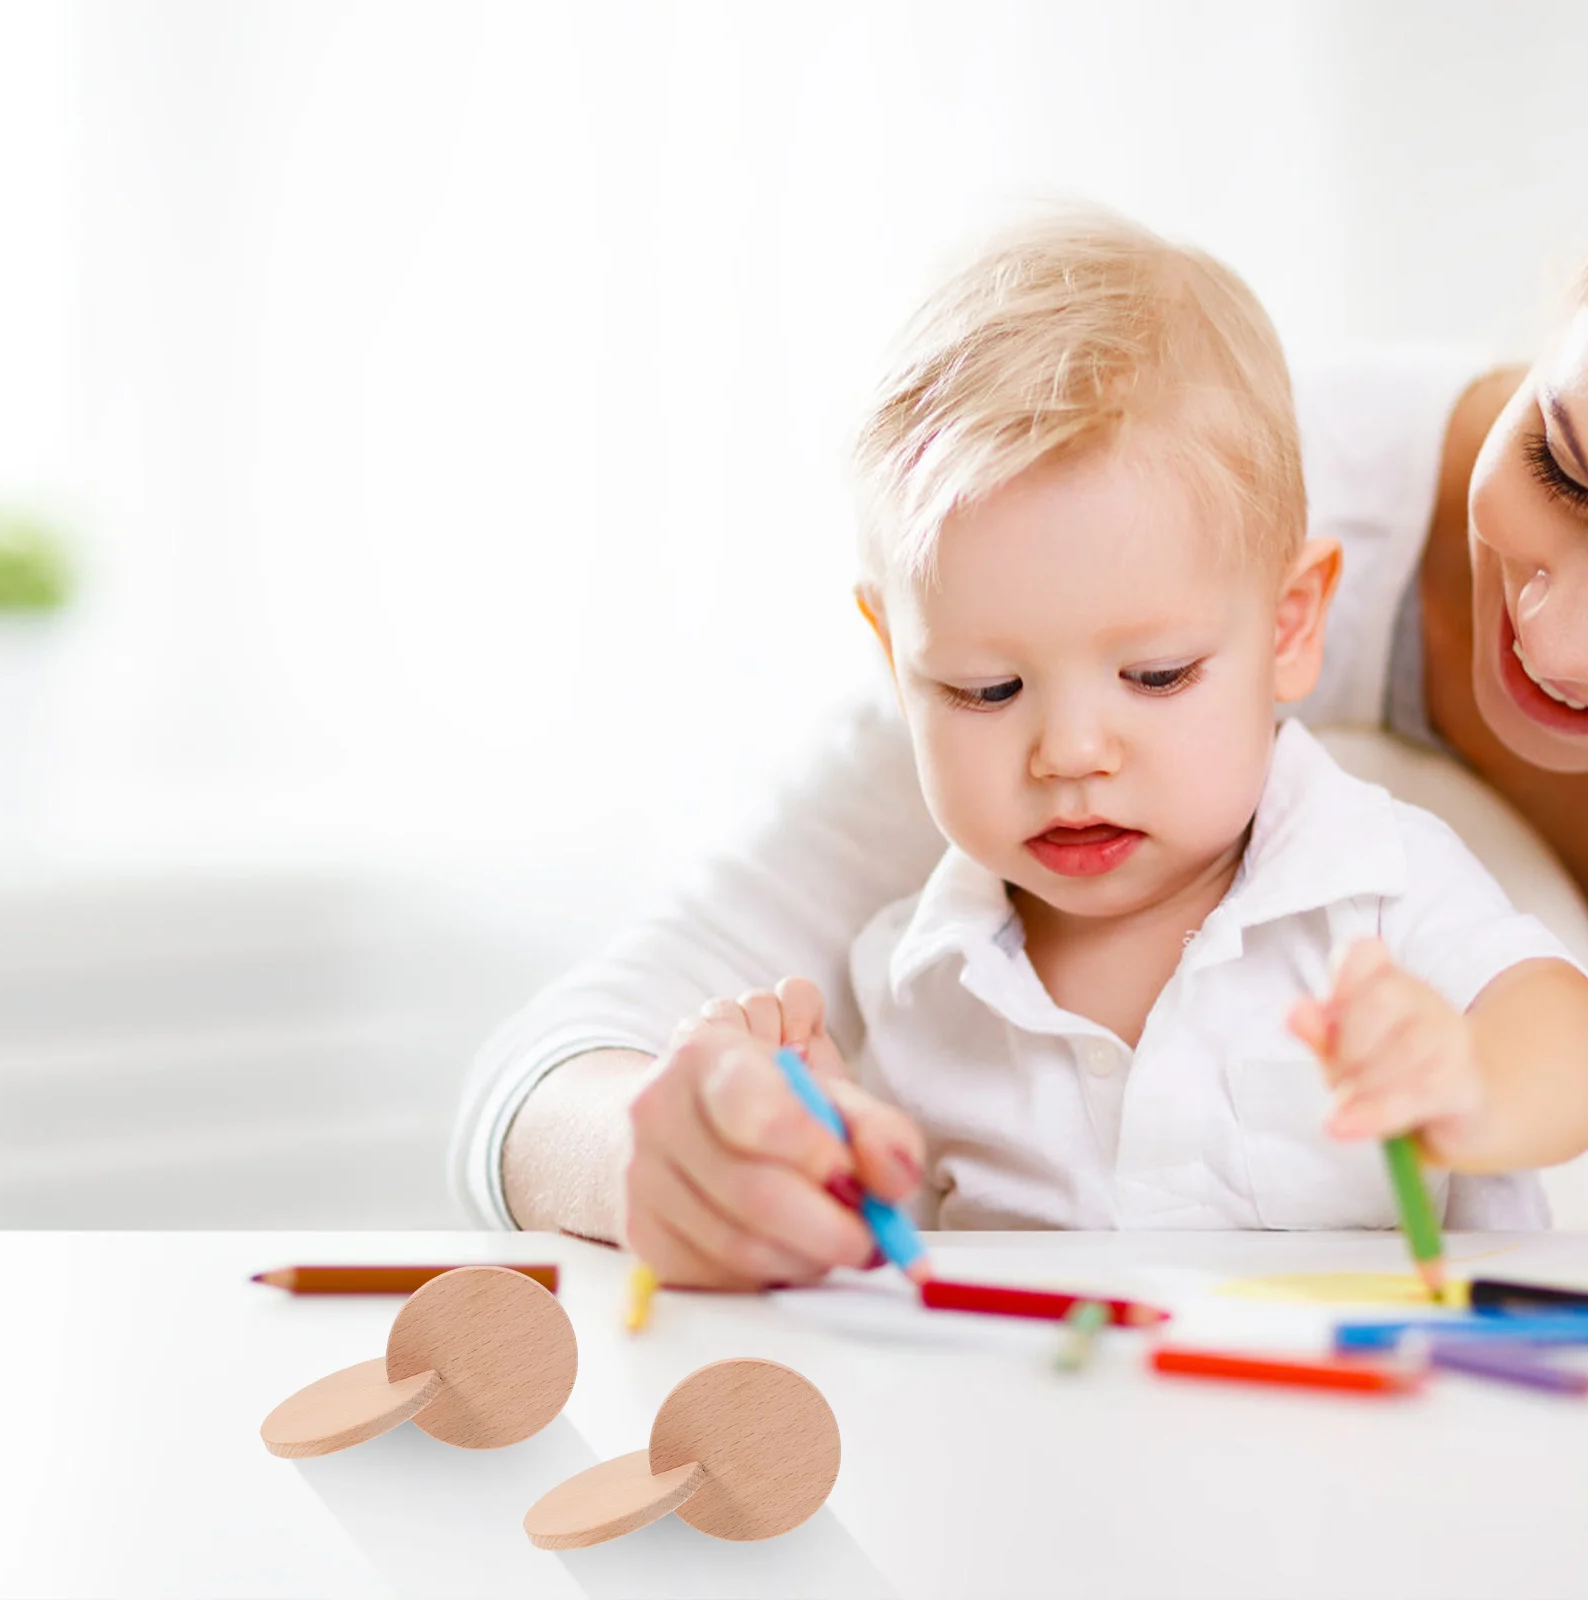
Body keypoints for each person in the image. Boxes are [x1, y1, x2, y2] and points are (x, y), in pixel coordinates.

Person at [451, 208, 1588, 1284]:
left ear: (1291, 623)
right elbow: (578, 1057)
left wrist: (1470, 1078)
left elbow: (1554, 1029)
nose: (1071, 751)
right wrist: (737, 1155)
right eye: (1566, 456)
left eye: (1155, 678)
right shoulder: (1126, 505)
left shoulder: (1368, 872)